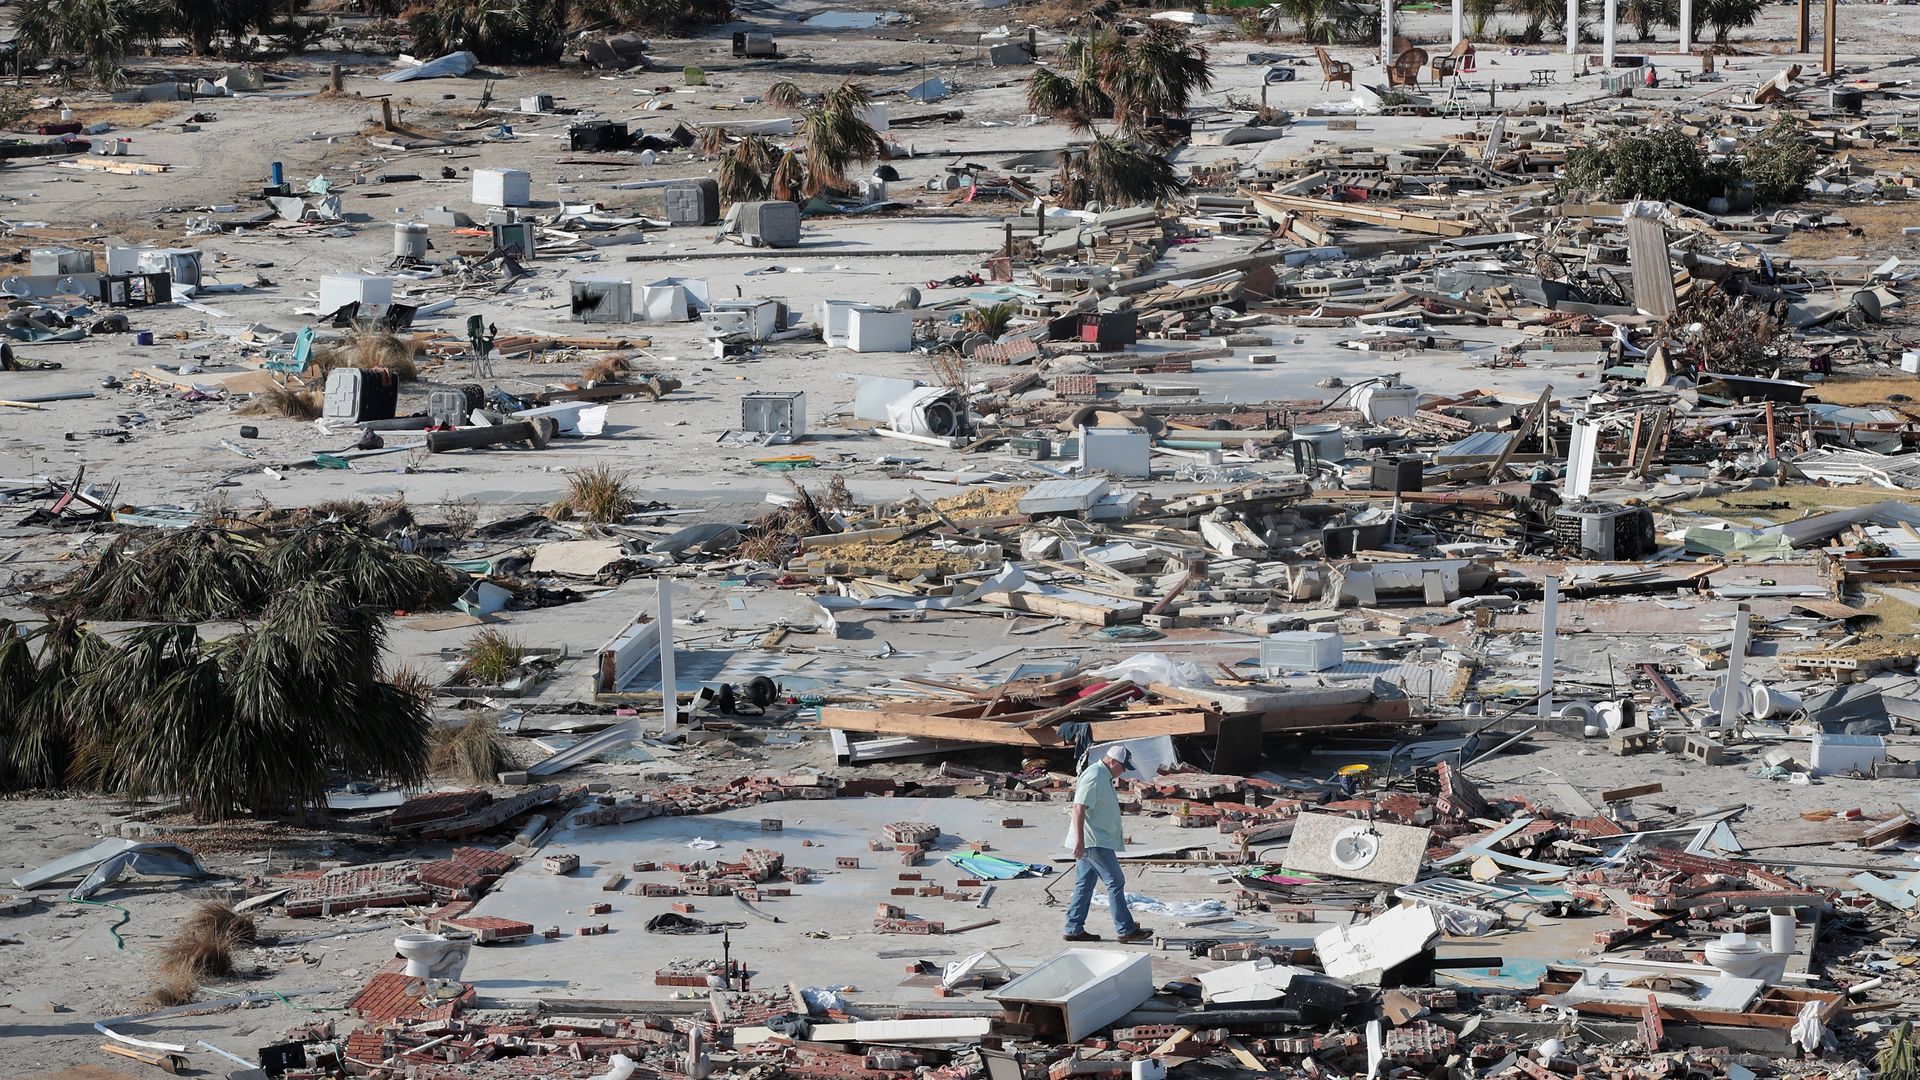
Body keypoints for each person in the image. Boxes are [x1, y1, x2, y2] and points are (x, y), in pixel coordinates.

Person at [1062, 744, 1151, 944]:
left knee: (1084, 885)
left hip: (1095, 839)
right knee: (1115, 881)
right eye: (1123, 767)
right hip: (1094, 840)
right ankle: (1126, 929)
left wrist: (1126, 807)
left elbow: (1100, 804)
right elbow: (1078, 808)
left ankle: (1073, 929)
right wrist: (1079, 842)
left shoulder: (1104, 775)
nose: (1124, 771)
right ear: (1112, 762)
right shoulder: (1095, 775)